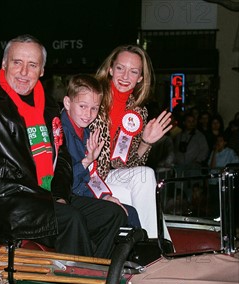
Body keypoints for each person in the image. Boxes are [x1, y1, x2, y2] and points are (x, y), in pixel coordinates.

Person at [0, 35, 127, 259]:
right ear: (4, 64)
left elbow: (62, 158)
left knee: (112, 215)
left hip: (44, 196)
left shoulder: (48, 106)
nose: (24, 72)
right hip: (4, 199)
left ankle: (96, 276)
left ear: (42, 71)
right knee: (70, 220)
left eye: (32, 65)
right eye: (17, 63)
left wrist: (61, 195)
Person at [90, 44, 172, 238]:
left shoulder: (137, 111)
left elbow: (126, 165)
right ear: (110, 69)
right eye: (120, 68)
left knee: (145, 174)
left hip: (108, 176)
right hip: (85, 179)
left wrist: (146, 142)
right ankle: (158, 244)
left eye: (133, 71)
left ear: (141, 78)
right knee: (136, 199)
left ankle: (154, 244)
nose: (125, 77)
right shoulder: (92, 97)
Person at [60, 74, 141, 228]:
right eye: (82, 106)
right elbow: (64, 182)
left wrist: (105, 195)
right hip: (69, 200)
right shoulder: (60, 133)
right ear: (67, 103)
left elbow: (92, 174)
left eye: (94, 108)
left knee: (129, 212)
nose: (88, 114)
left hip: (84, 194)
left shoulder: (87, 133)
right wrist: (86, 161)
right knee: (120, 214)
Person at [173, 110, 209, 175]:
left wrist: (198, 161)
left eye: (193, 121)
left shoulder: (200, 136)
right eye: (189, 121)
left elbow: (204, 150)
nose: (191, 124)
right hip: (180, 167)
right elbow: (175, 149)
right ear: (184, 122)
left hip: (194, 167)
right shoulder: (179, 136)